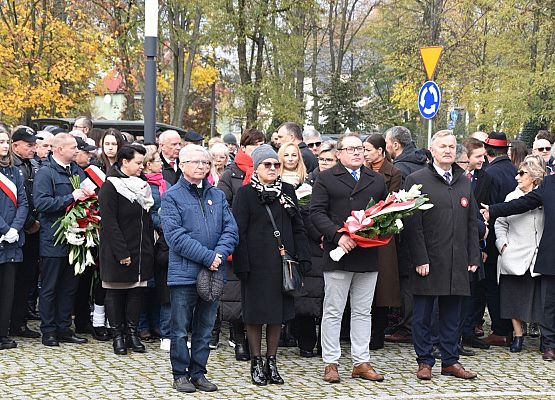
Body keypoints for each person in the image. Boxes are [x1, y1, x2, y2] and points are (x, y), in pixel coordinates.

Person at [160, 144, 238, 393]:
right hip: (185, 273)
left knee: (205, 328)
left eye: (205, 162)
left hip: (213, 274)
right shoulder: (172, 196)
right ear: (182, 166)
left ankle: (198, 372)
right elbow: (175, 237)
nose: (202, 166)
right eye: (196, 162)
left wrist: (219, 254)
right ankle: (180, 373)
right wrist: (208, 257)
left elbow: (231, 229)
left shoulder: (217, 195)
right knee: (181, 328)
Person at [311, 132, 387, 384]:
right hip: (339, 252)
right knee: (333, 310)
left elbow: (382, 213)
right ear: (339, 153)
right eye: (351, 148)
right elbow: (317, 213)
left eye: (360, 148)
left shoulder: (375, 179)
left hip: (367, 252)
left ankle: (361, 361)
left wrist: (374, 233)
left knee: (363, 311)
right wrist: (336, 235)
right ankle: (331, 362)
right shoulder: (326, 177)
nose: (357, 152)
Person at [404, 130, 480, 380]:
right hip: (428, 260)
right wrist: (419, 258)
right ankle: (425, 360)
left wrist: (473, 257)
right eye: (443, 146)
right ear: (432, 150)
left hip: (457, 260)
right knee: (423, 314)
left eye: (452, 146)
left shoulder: (464, 181)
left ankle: (450, 361)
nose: (448, 150)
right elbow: (412, 225)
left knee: (452, 314)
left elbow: (471, 222)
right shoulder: (417, 179)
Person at [233, 144, 310, 386]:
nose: (273, 168)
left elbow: (298, 226)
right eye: (268, 164)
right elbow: (239, 232)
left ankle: (272, 361)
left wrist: (303, 259)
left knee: (277, 315)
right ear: (256, 168)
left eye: (276, 164)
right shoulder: (245, 194)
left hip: (282, 264)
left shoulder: (287, 191)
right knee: (255, 315)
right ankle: (256, 361)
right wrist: (241, 264)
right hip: (255, 265)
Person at [481, 165, 555, 362]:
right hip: (547, 255)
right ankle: (549, 344)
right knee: (547, 302)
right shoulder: (549, 184)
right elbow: (523, 204)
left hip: (543, 253)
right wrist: (493, 210)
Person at [33, 133, 90, 347]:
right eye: (73, 147)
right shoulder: (46, 173)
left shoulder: (76, 170)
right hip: (53, 238)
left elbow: (86, 198)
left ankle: (64, 327)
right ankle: (48, 330)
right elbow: (42, 204)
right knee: (50, 286)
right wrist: (71, 198)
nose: (77, 151)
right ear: (59, 150)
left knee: (69, 286)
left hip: (75, 238)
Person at [98, 144, 155, 355]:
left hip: (140, 249)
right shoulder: (110, 186)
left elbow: (145, 220)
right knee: (115, 292)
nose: (142, 167)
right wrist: (122, 253)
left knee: (136, 292)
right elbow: (110, 223)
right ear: (125, 162)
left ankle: (132, 333)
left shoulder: (142, 185)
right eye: (138, 163)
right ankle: (118, 336)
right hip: (118, 249)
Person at [215, 127, 265, 360]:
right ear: (243, 148)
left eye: (262, 144)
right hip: (237, 238)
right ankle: (239, 339)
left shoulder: (268, 170)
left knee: (257, 292)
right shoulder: (231, 174)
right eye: (254, 144)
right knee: (236, 293)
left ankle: (255, 338)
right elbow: (222, 205)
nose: (258, 149)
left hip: (261, 241)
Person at [494, 156, 545, 353]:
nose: (517, 177)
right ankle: (517, 335)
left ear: (534, 177)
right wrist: (503, 245)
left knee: (539, 298)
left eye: (522, 173)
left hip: (538, 255)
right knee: (512, 297)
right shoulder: (511, 197)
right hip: (514, 254)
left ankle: (542, 335)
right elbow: (500, 223)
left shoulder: (544, 196)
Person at [383, 126, 428, 344]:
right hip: (423, 228)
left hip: (406, 229)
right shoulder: (421, 162)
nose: (386, 147)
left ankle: (408, 326)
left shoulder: (400, 169)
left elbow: (399, 203)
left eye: (387, 143)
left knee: (407, 280)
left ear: (396, 145)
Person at [295, 142, 337, 358]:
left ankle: (326, 344)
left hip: (334, 245)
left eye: (329, 160)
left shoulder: (341, 183)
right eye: (322, 159)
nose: (325, 163)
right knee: (307, 297)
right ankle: (306, 342)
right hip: (312, 246)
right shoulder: (307, 183)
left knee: (329, 298)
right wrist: (321, 234)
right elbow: (305, 212)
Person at [363, 134, 402, 350]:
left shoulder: (394, 173)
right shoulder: (362, 171)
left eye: (368, 150)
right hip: (363, 231)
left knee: (382, 288)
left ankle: (377, 334)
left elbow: (391, 202)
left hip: (383, 233)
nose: (365, 154)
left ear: (380, 151)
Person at [481, 132, 517, 347]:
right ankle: (512, 327)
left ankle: (500, 329)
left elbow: (484, 207)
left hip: (493, 237)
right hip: (515, 236)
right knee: (509, 284)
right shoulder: (514, 170)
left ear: (486, 151)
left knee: (491, 286)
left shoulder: (489, 174)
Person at [458, 138, 492, 350]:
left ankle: (468, 332)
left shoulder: (486, 178)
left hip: (477, 241)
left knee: (473, 292)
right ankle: (455, 337)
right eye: (477, 156)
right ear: (466, 158)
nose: (482, 160)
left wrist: (485, 245)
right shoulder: (457, 178)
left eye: (483, 156)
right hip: (458, 242)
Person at [9, 126, 41, 340]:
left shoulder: (34, 164)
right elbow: (18, 200)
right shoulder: (12, 167)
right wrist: (28, 222)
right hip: (17, 228)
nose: (33, 149)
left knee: (26, 279)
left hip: (34, 228)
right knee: (13, 280)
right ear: (15, 146)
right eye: (29, 145)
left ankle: (19, 322)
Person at [140, 146, 172, 351]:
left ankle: (158, 324)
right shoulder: (144, 185)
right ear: (148, 164)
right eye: (157, 161)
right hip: (149, 238)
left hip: (164, 240)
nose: (161, 164)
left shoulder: (165, 184)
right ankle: (143, 325)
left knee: (160, 284)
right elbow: (147, 212)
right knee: (146, 284)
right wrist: (162, 222)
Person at [0, 126, 29, 350]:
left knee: (8, 290)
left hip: (12, 241)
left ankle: (3, 333)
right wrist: (4, 229)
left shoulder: (14, 171)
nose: (3, 146)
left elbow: (23, 203)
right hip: (2, 236)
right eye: (0, 142)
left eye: (5, 141)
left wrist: (15, 229)